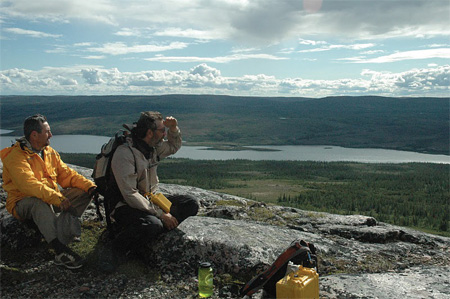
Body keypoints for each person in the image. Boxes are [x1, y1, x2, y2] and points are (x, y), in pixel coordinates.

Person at [0, 114, 97, 269]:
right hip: (22, 202)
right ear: (34, 135)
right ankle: (60, 251)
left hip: (50, 198)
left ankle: (63, 234)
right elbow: (28, 185)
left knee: (83, 192)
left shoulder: (48, 152)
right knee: (38, 203)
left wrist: (89, 186)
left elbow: (67, 174)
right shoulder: (16, 157)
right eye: (47, 132)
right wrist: (57, 199)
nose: (51, 135)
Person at [109, 111, 199, 256]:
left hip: (150, 200)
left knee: (190, 203)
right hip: (125, 206)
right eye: (162, 130)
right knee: (153, 224)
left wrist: (174, 129)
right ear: (150, 133)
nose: (164, 134)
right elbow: (130, 194)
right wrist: (160, 214)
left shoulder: (152, 148)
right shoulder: (125, 154)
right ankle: (114, 249)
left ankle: (147, 235)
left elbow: (173, 146)